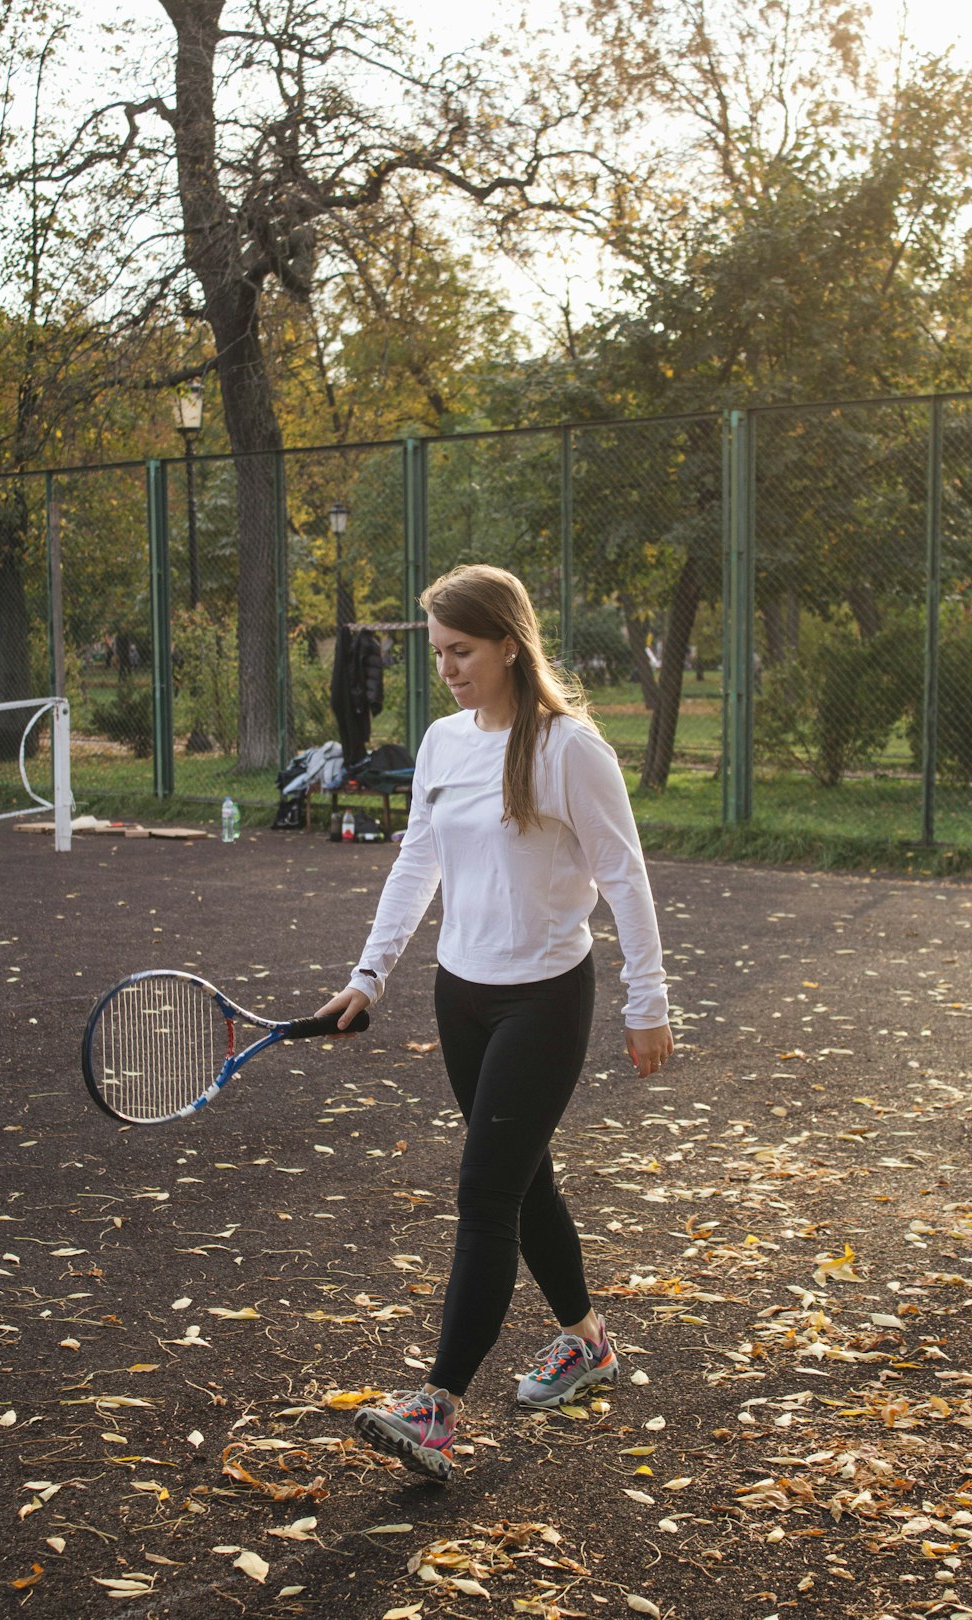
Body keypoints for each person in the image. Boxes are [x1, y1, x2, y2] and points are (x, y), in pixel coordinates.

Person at [317, 564, 673, 1483]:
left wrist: (648, 1002)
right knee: (524, 1181)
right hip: (459, 995)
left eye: (462, 651)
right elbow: (417, 861)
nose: (448, 669)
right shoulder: (440, 743)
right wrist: (369, 975)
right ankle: (588, 1341)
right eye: (438, 653)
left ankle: (436, 1406)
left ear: (509, 643)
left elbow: (625, 875)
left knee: (485, 1195)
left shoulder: (569, 750)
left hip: (544, 1000)